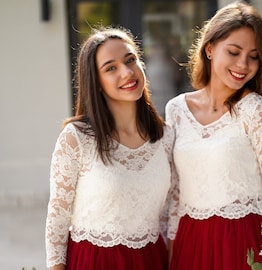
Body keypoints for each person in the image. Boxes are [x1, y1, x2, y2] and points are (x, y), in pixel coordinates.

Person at [165, 1, 262, 269]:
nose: (243, 65)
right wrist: (171, 242)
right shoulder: (176, 109)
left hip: (244, 241)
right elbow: (176, 189)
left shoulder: (256, 111)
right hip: (191, 240)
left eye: (254, 56)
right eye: (234, 52)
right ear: (210, 48)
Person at [45, 26, 175, 270]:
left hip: (151, 260)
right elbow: (57, 220)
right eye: (111, 68)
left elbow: (168, 213)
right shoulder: (77, 138)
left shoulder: (165, 137)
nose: (127, 72)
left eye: (130, 60)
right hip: (95, 262)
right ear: (96, 82)